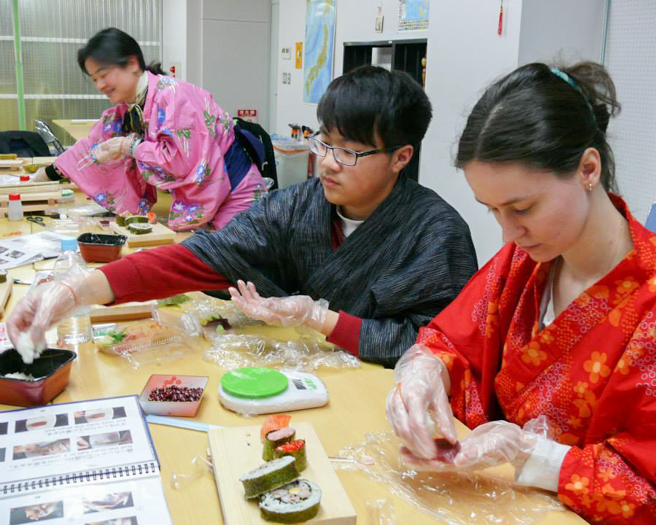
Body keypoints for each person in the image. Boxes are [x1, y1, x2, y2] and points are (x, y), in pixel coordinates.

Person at [386, 62, 656, 524]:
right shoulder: (526, 259)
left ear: (587, 168)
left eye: (523, 207)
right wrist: (425, 372)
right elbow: (451, 339)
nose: (509, 232)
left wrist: (531, 452)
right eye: (492, 210)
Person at [8, 65, 478, 367]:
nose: (329, 162)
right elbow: (203, 256)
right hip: (300, 380)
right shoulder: (299, 204)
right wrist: (82, 287)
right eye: (325, 143)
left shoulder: (437, 233)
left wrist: (321, 319)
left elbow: (439, 347)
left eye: (350, 152)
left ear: (401, 157)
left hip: (387, 404)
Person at [33, 28, 266, 231]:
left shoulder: (174, 97)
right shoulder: (129, 108)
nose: (100, 85)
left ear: (133, 64)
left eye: (104, 75)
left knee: (227, 273)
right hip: (211, 198)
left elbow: (183, 161)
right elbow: (92, 145)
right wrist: (49, 174)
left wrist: (130, 146)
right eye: (94, 79)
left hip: (236, 197)